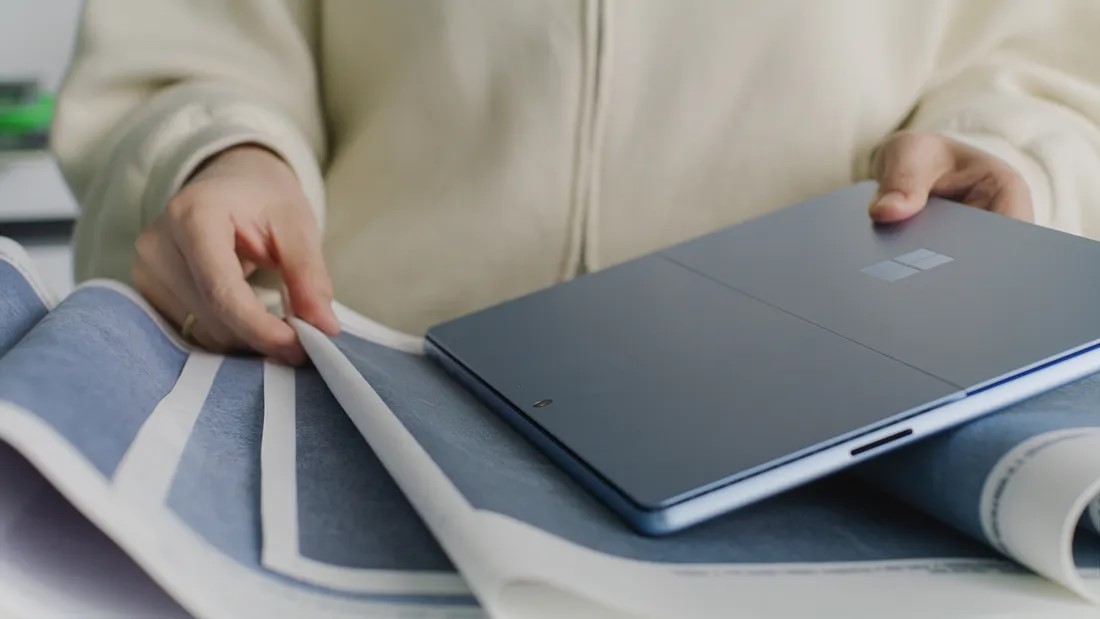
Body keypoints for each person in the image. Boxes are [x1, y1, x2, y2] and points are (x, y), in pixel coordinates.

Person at [52, 1, 1100, 366]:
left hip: (833, 405)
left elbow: (1051, 62)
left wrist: (1005, 157)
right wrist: (227, 151)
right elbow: (197, 49)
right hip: (355, 385)